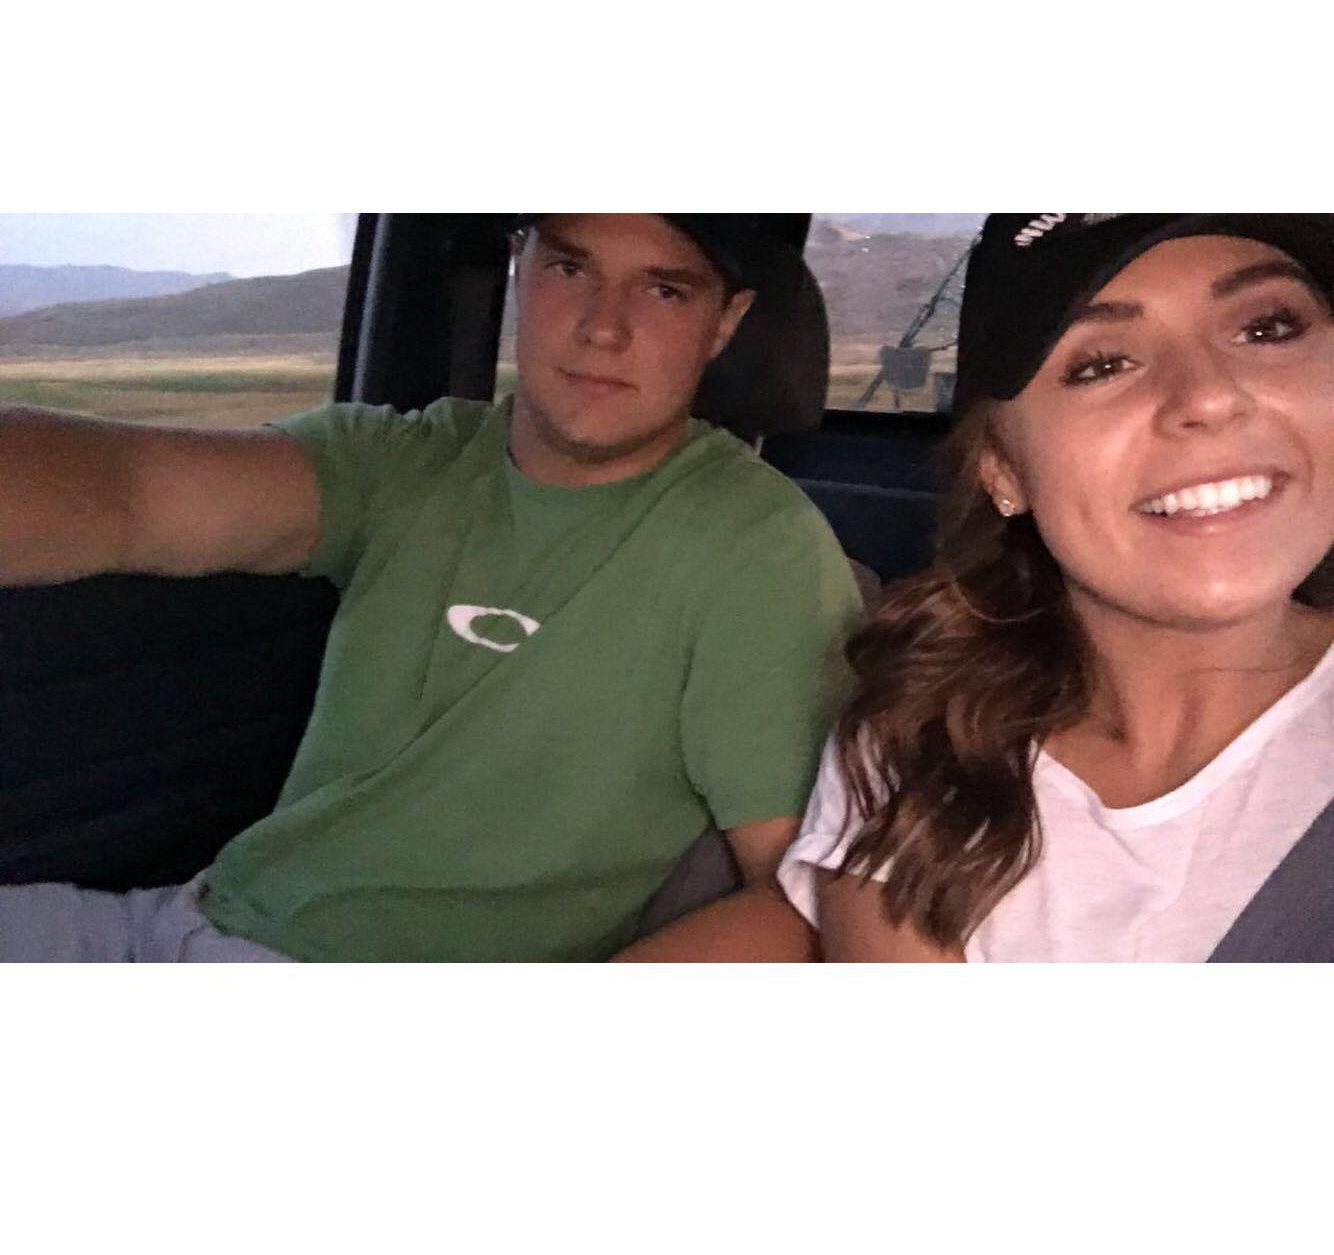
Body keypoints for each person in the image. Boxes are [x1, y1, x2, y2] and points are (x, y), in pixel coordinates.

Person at [0, 213, 863, 962]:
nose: (603, 327)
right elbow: (129, 492)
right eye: (571, 269)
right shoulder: (406, 461)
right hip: (185, 920)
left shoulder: (759, 549)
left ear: (725, 323)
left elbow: (806, 898)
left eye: (665, 291)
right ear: (521, 268)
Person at [778, 214, 1334, 961]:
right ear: (1003, 471)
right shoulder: (922, 746)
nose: (1208, 397)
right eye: (1102, 364)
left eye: (1267, 329)